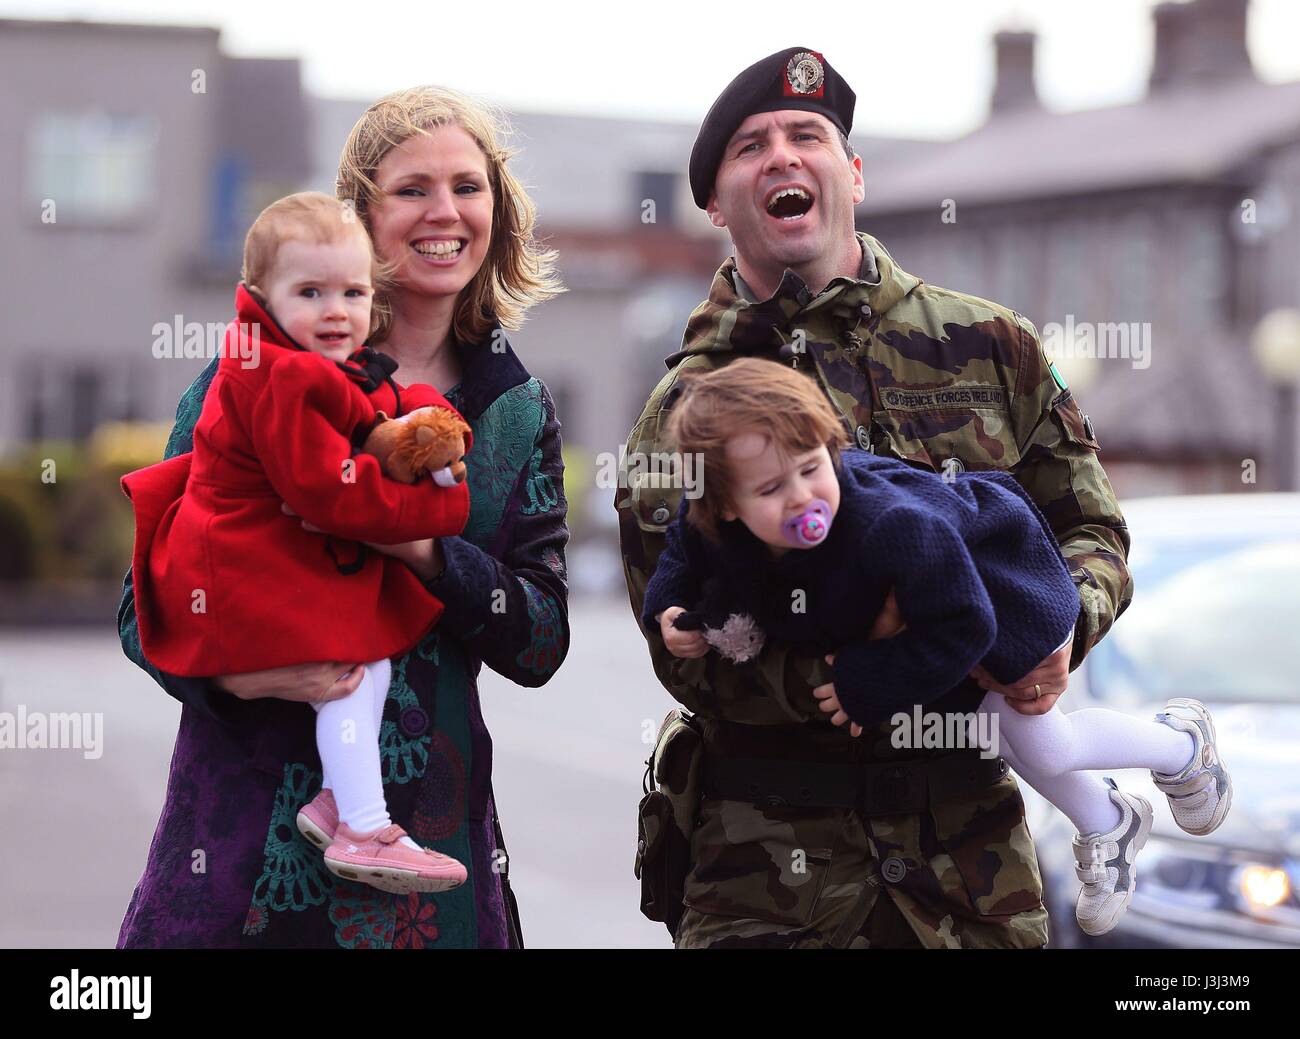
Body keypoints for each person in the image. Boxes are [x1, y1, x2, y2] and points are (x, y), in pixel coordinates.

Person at [616, 45, 1135, 949]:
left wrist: (1058, 634)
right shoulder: (685, 410)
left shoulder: (989, 345)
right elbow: (679, 640)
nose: (781, 155)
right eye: (750, 146)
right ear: (715, 204)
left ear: (851, 172)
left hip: (969, 878)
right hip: (771, 880)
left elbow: (1089, 526)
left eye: (805, 135)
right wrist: (861, 683)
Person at [117, 86, 569, 948]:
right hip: (245, 853)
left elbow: (541, 638)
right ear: (361, 214)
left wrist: (429, 551)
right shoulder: (245, 379)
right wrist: (233, 677)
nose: (445, 212)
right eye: (412, 190)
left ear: (498, 210)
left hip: (432, 866)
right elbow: (141, 609)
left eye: (468, 187)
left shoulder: (516, 411)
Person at [641, 359, 1231, 937]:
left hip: (1004, 585)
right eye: (771, 488)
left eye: (812, 467)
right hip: (933, 607)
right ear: (722, 504)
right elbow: (683, 553)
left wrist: (867, 682)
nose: (801, 497)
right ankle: (1110, 819)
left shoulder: (891, 524)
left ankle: (1180, 743)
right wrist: (666, 610)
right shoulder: (711, 522)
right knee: (990, 722)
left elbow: (966, 625)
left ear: (830, 446)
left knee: (1038, 738)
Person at [122, 191, 475, 896]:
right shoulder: (280, 372)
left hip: (249, 570)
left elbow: (371, 418)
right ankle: (366, 824)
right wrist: (430, 508)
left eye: (350, 291)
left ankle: (342, 799)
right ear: (259, 297)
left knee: (366, 661)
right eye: (310, 292)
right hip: (240, 579)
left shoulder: (320, 365)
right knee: (349, 660)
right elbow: (328, 492)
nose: (336, 310)